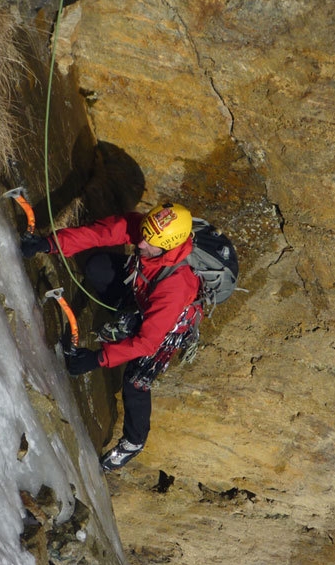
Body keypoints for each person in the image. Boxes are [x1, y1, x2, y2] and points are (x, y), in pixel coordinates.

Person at [21, 202, 202, 471]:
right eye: (142, 235)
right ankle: (126, 316)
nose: (140, 244)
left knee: (136, 382)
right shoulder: (149, 232)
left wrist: (98, 358)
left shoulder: (175, 286)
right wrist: (49, 244)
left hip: (167, 324)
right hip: (142, 288)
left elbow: (147, 343)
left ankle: (134, 441)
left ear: (167, 247)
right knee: (98, 267)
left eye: (148, 243)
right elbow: (100, 233)